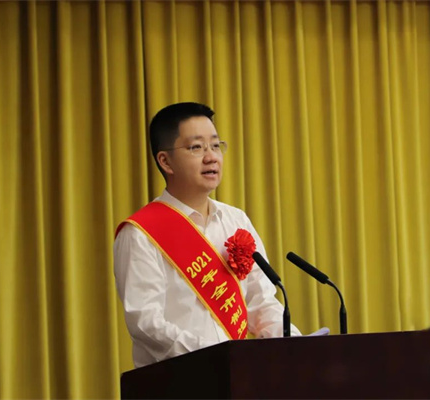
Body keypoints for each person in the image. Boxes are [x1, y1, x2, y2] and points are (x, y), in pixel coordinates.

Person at [114, 102, 301, 368]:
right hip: (179, 379)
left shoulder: (236, 220)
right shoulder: (141, 233)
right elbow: (145, 322)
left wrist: (295, 346)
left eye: (215, 145)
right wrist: (216, 354)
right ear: (165, 161)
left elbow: (261, 302)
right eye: (196, 147)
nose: (211, 157)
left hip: (237, 377)